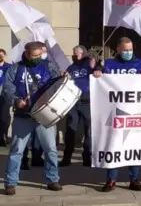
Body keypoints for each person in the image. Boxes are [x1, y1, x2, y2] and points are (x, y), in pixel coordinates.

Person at [2, 41, 62, 195]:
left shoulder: (48, 66)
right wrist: (16, 100)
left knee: (51, 149)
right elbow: (8, 88)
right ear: (27, 53)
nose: (37, 58)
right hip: (23, 115)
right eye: (34, 56)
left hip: (44, 115)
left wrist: (63, 77)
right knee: (16, 150)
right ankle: (10, 182)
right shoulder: (15, 68)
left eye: (39, 55)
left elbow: (58, 84)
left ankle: (52, 179)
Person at [93, 37, 141, 192]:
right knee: (113, 145)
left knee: (133, 145)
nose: (128, 52)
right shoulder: (110, 64)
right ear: (118, 49)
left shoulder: (140, 64)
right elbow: (102, 83)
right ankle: (111, 180)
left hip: (134, 111)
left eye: (130, 49)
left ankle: (134, 179)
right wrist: (98, 73)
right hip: (114, 111)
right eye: (125, 50)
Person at [60, 45, 95, 167]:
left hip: (87, 101)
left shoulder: (90, 63)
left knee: (89, 131)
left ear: (83, 53)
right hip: (73, 102)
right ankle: (66, 158)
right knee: (70, 130)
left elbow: (99, 69)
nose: (74, 55)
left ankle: (87, 158)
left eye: (76, 53)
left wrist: (94, 64)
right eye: (73, 53)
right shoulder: (71, 67)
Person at [0, 49, 11, 146]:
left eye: (1, 55)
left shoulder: (8, 67)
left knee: (4, 116)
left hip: (4, 94)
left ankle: (4, 137)